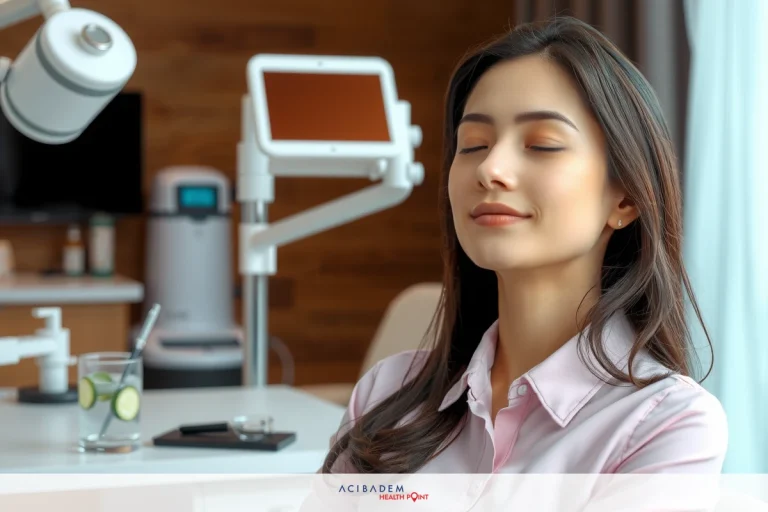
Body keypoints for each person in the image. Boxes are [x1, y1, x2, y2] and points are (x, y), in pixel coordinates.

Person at [321, 15, 728, 475]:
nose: (490, 168)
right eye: (472, 144)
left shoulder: (666, 425)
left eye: (542, 144)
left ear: (626, 197)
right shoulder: (386, 394)